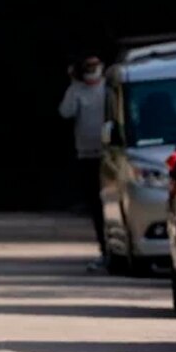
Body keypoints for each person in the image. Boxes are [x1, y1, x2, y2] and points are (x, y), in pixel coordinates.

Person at [58, 53, 106, 272]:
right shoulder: (77, 89)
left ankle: (112, 249)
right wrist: (73, 85)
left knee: (110, 204)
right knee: (96, 205)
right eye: (87, 66)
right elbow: (65, 112)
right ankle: (104, 250)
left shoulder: (108, 87)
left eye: (94, 66)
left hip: (109, 155)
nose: (91, 70)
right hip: (87, 155)